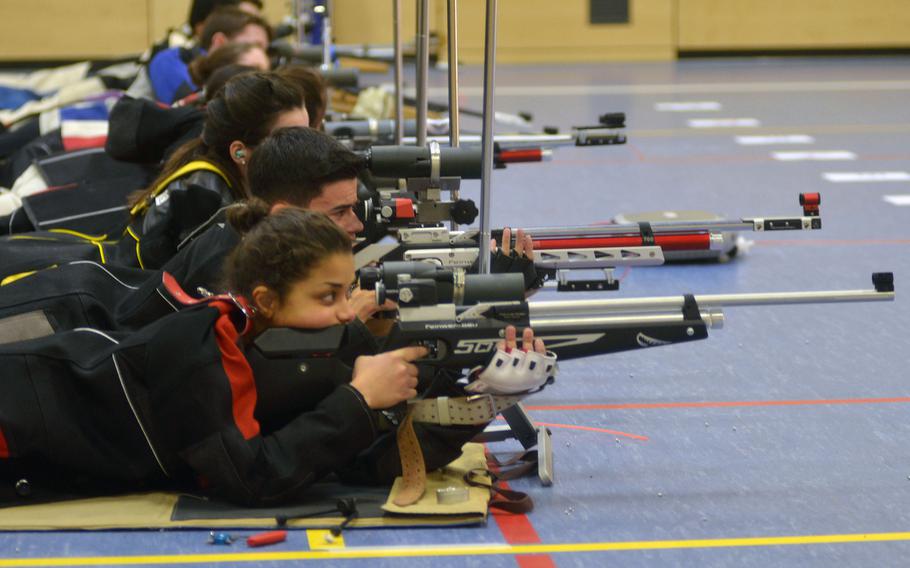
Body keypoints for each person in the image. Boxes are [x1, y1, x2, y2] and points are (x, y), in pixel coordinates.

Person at [0, 206, 555, 506]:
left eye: (347, 292)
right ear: (265, 299)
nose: (347, 312)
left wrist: (483, 400)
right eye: (328, 297)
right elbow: (254, 480)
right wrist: (360, 397)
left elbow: (354, 460)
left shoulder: (258, 346)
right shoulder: (198, 351)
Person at [0, 72, 308, 280]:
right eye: (288, 138)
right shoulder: (208, 198)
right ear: (240, 151)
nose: (307, 147)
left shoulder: (216, 177)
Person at [148, 8, 272, 105]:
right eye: (255, 46)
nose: (261, 55)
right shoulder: (168, 60)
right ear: (219, 42)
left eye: (264, 49)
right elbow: (198, 109)